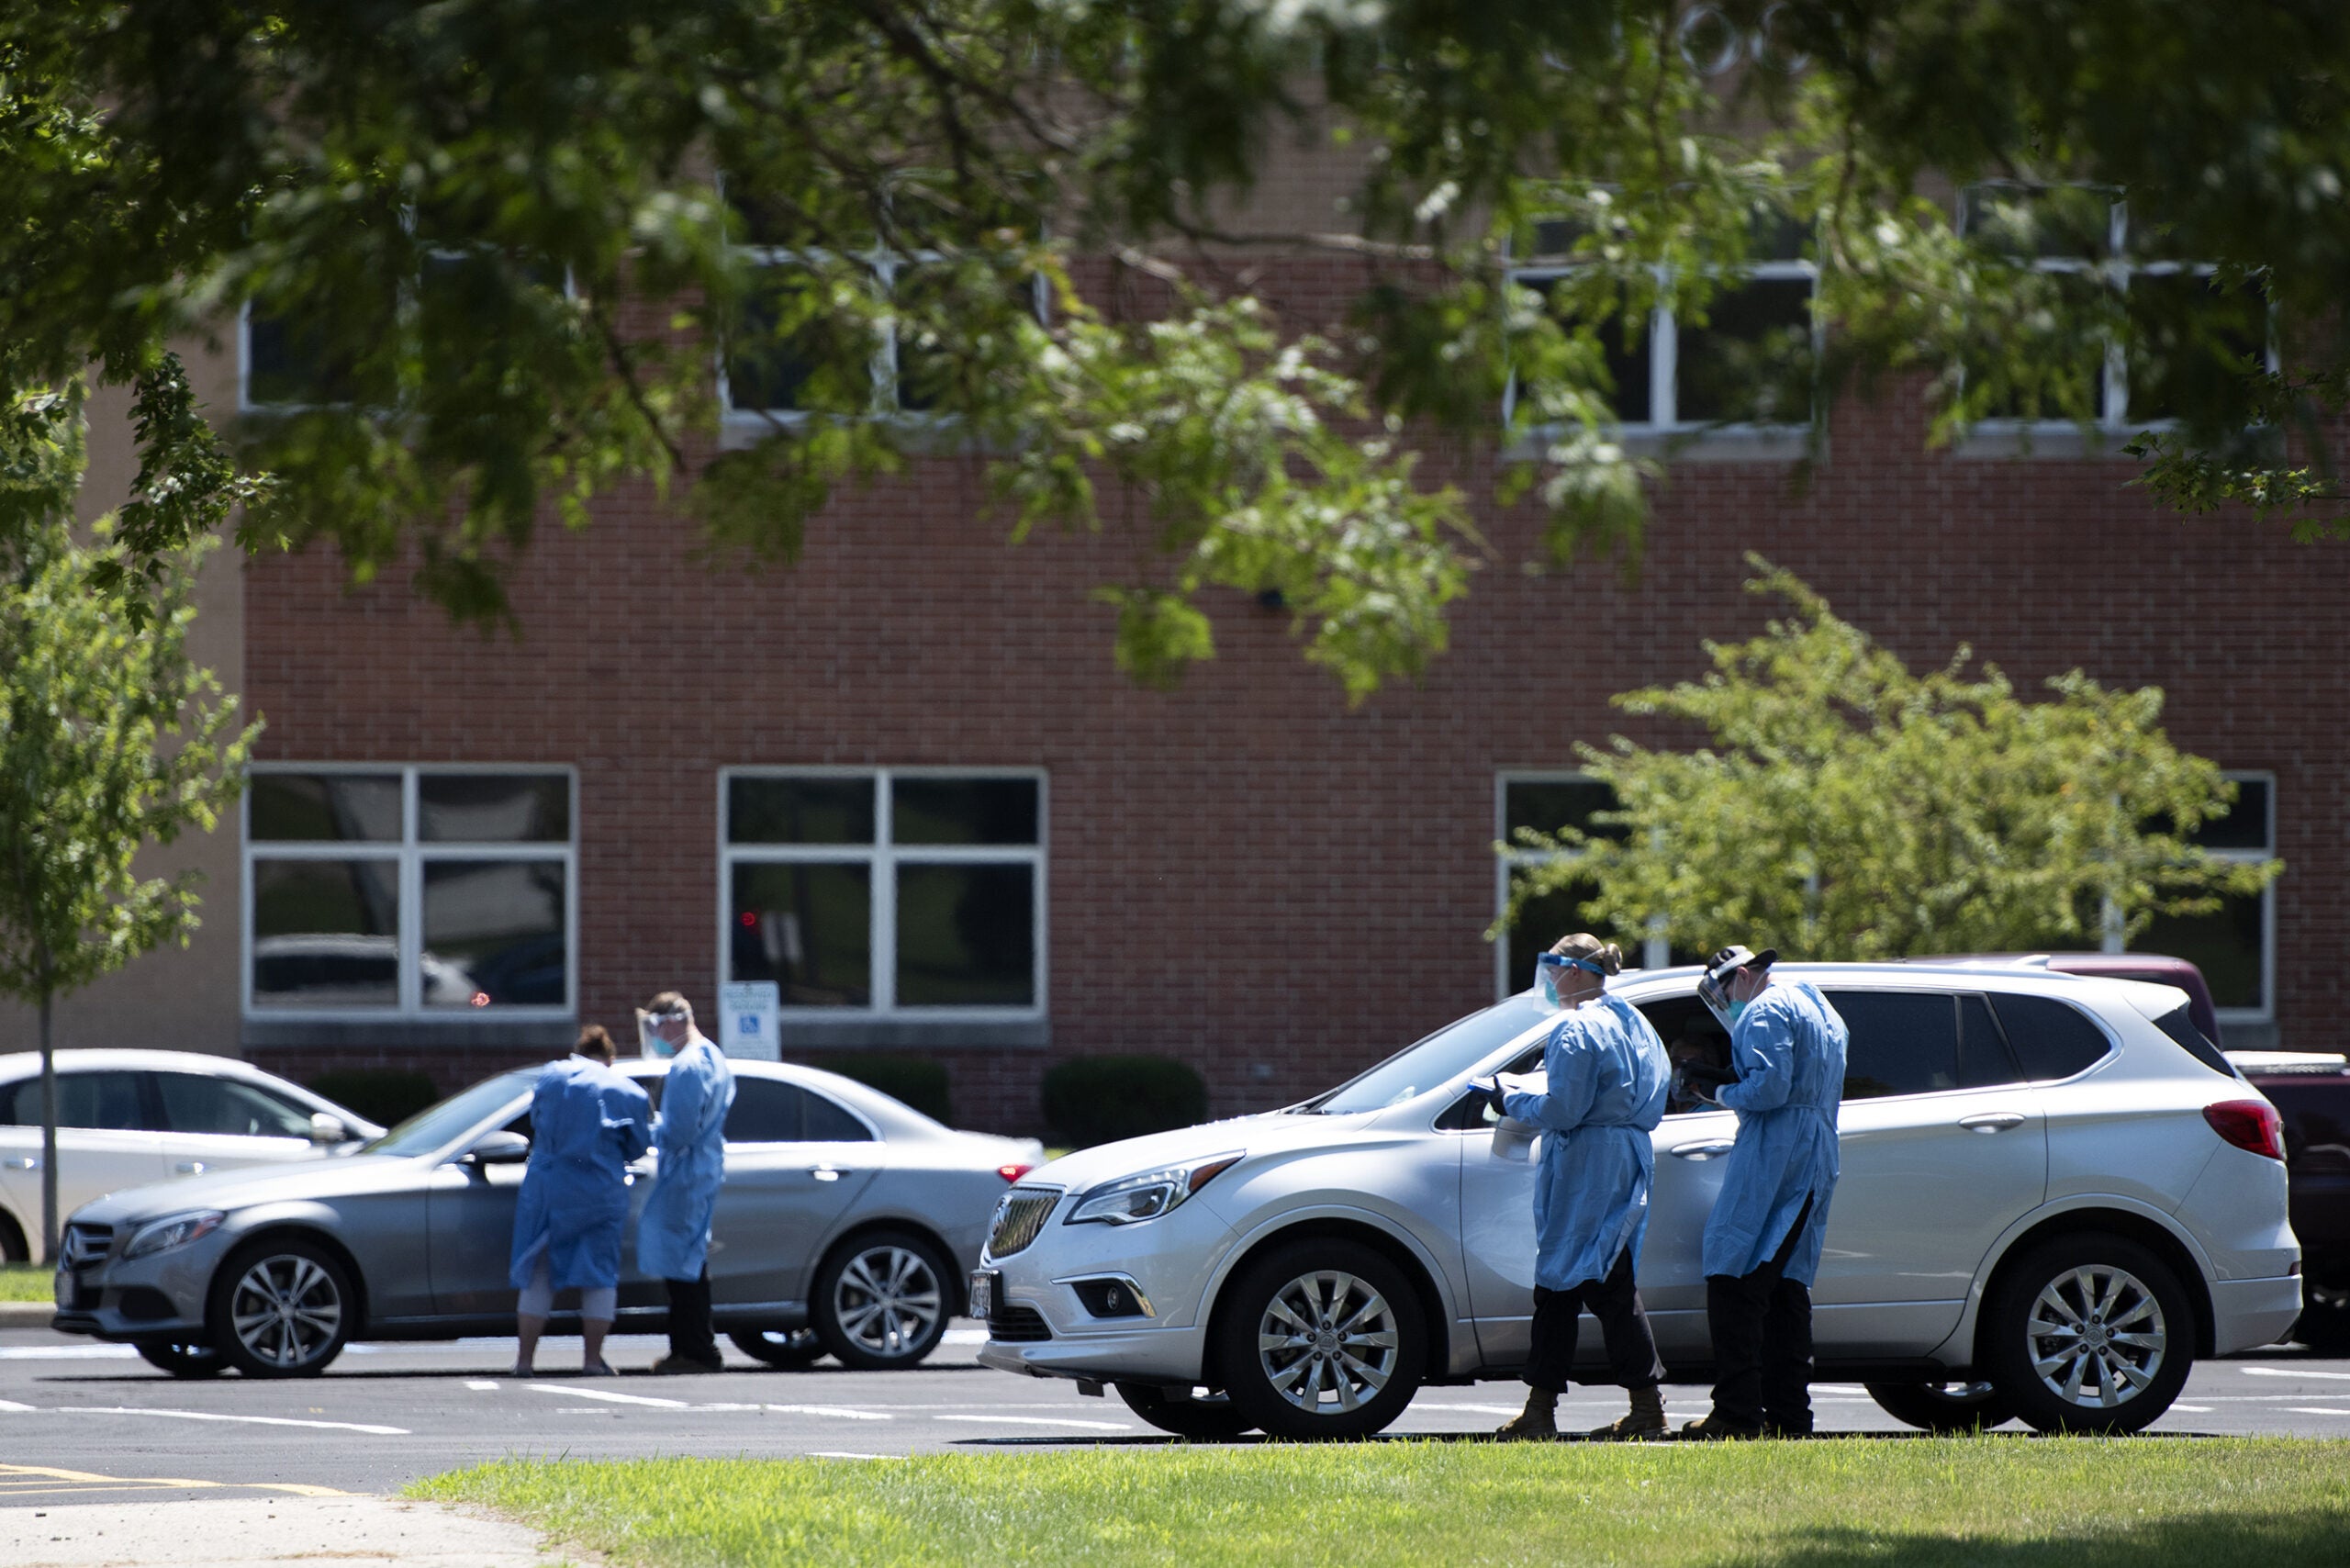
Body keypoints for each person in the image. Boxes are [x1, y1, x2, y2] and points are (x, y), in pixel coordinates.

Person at [1475, 934, 1673, 1441]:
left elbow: (1564, 1109)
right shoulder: (1635, 1021)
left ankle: (1553, 1412)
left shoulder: (1576, 1028)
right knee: (1602, 1279)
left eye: (1555, 967)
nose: (1550, 979)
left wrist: (1510, 1100)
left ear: (1578, 972)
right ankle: (1629, 1407)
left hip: (1587, 1161)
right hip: (1625, 1155)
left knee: (1571, 1281)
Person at [1683, 945, 1850, 1439]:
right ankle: (1789, 1416)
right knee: (1785, 1288)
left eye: (1727, 987)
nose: (1728, 1000)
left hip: (1776, 1154)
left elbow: (1770, 1090)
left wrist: (1717, 1092)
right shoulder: (1816, 1003)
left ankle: (1736, 1413)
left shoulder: (1765, 1007)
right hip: (1817, 1149)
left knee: (1733, 1275)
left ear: (1747, 974)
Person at [509, 1024, 652, 1377]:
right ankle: (591, 1360)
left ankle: (524, 1362)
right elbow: (637, 1145)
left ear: (578, 1050)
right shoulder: (625, 1090)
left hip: (547, 1188)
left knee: (538, 1273)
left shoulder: (550, 1077)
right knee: (599, 1275)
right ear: (610, 1059)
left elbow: (535, 1123)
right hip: (598, 1189)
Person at [636, 991, 736, 1374]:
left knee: (682, 1267)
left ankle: (695, 1350)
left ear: (673, 1021)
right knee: (691, 1260)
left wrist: (650, 1129)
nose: (655, 1037)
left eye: (656, 1026)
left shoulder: (687, 1066)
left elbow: (677, 1131)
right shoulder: (711, 1055)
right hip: (703, 1168)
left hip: (687, 1172)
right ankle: (695, 1347)